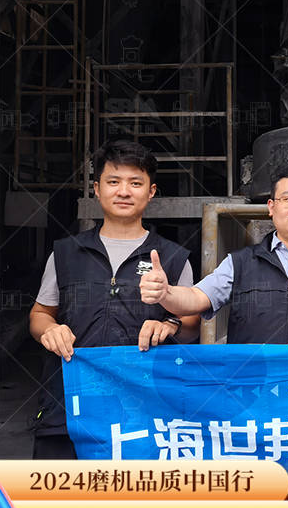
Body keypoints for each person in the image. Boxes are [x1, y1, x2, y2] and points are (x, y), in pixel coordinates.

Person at [29, 140, 199, 459]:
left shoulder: (173, 259)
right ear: (97, 189)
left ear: (151, 191)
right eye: (113, 181)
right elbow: (40, 314)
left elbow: (192, 326)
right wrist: (49, 330)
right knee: (59, 490)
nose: (123, 191)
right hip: (68, 406)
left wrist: (170, 326)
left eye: (135, 183)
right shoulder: (65, 253)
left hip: (146, 410)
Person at [139, 164, 288, 346]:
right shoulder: (240, 262)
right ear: (271, 207)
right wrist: (166, 293)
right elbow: (196, 298)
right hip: (252, 386)